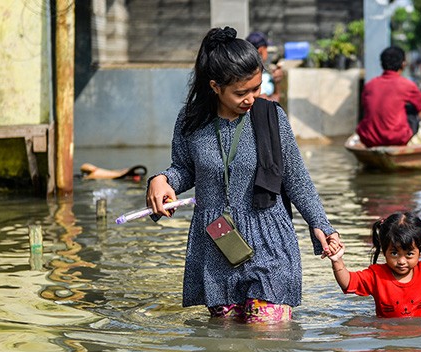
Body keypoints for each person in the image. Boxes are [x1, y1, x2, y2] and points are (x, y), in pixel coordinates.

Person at [146, 26, 340, 323]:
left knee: (266, 345)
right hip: (216, 244)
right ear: (215, 87)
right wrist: (162, 181)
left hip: (269, 238)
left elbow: (296, 178)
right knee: (226, 348)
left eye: (256, 88)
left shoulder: (271, 117)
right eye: (241, 92)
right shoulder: (192, 120)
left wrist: (320, 225)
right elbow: (185, 169)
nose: (251, 98)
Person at [328, 211, 421, 318]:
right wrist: (337, 260)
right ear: (383, 250)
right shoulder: (376, 276)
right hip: (389, 340)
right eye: (394, 253)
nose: (401, 261)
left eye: (409, 254)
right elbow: (348, 283)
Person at [356, 46, 421, 148]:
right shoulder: (406, 85)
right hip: (396, 138)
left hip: (369, 138)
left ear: (382, 64)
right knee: (412, 109)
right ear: (403, 64)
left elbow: (364, 107)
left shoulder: (369, 85)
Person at [245, 31, 284, 102]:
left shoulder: (257, 71)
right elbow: (273, 101)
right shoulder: (255, 75)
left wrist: (277, 82)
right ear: (261, 50)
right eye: (266, 48)